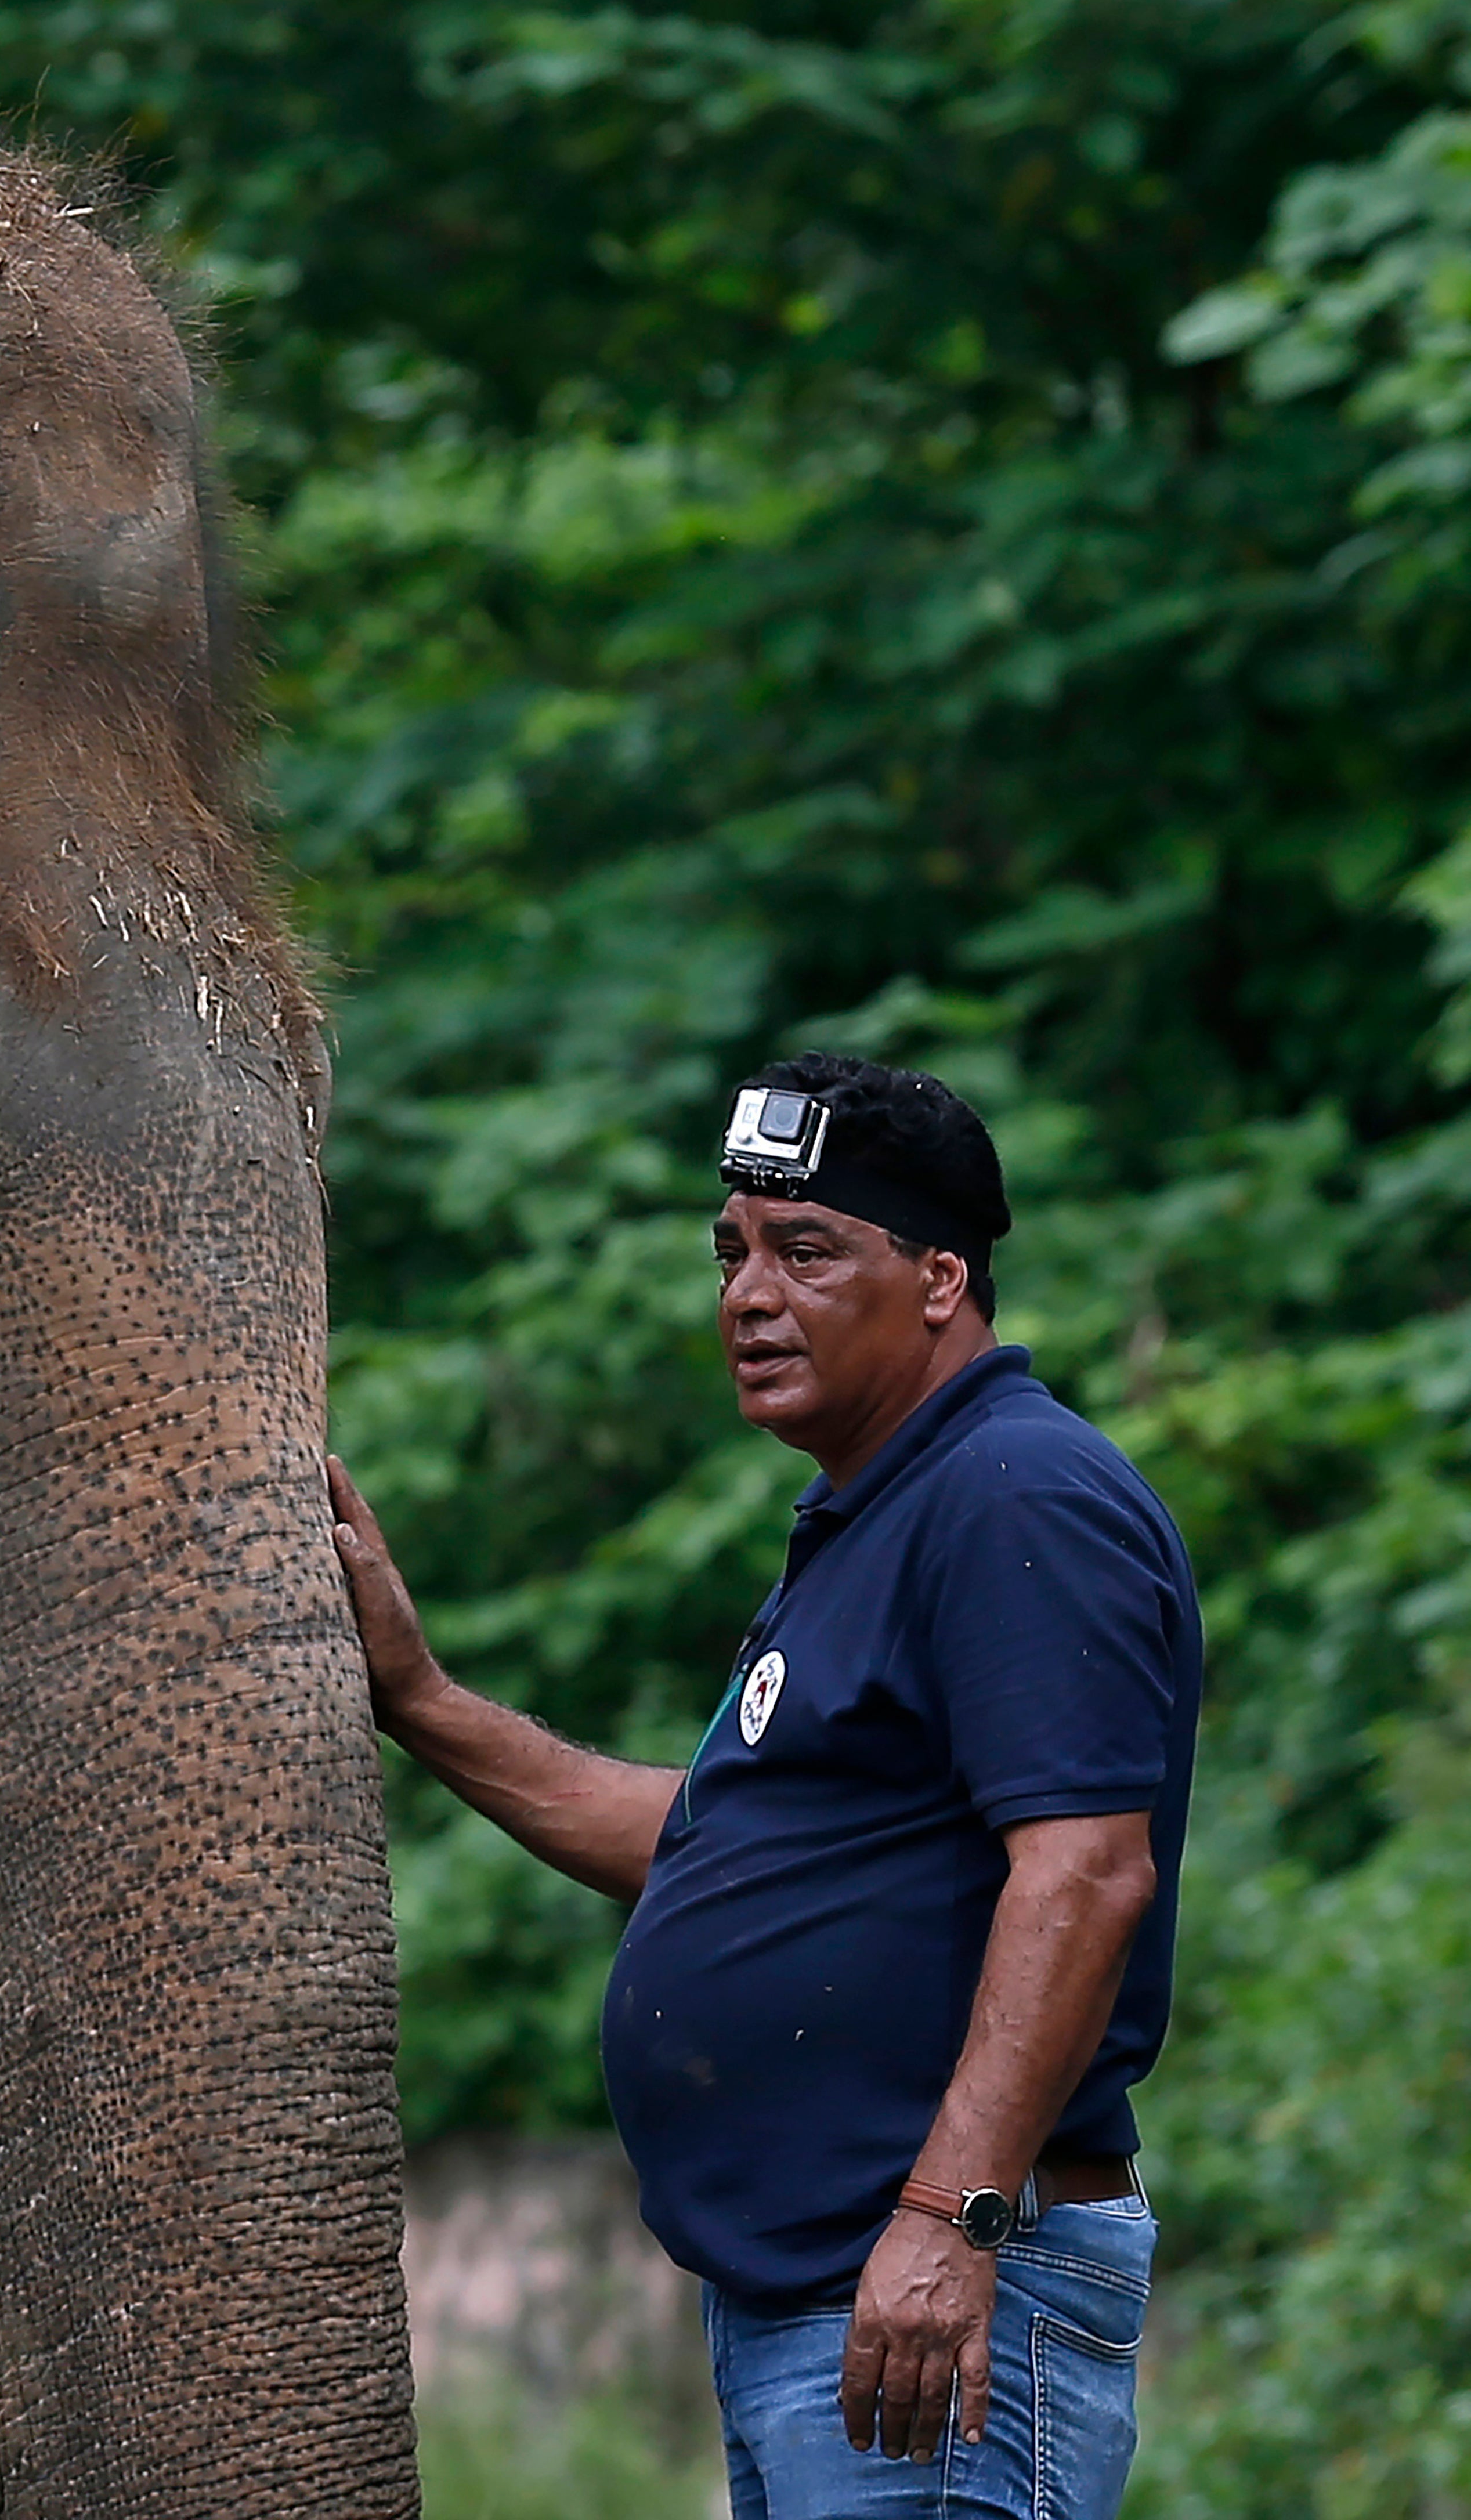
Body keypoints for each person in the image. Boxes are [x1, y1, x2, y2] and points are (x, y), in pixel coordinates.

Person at [327, 1053, 1199, 2518]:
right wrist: (420, 1700)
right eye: (731, 1252)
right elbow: (715, 1848)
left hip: (940, 2286)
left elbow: (1088, 1873)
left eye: (808, 1252)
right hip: (821, 2299)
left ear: (939, 1281)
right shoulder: (876, 1516)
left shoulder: (1014, 1493)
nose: (748, 1294)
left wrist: (948, 2219)